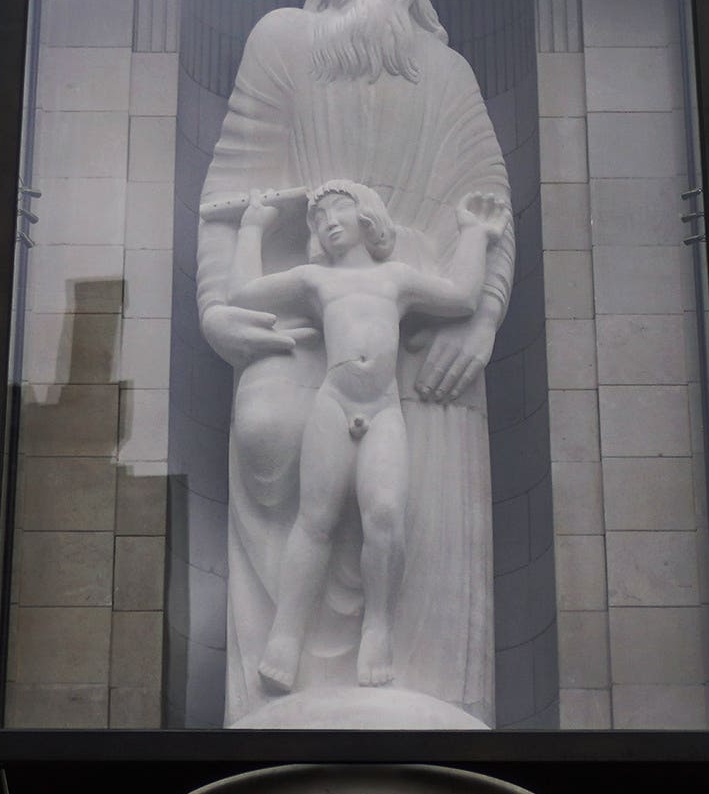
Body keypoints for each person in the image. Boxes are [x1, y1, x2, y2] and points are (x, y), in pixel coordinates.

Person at [201, 178, 509, 696]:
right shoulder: (315, 280)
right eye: (319, 219)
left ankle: (379, 626)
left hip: (384, 407)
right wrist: (253, 228)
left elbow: (460, 297)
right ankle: (285, 635)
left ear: (367, 217)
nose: (328, 222)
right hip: (333, 402)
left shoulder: (397, 278)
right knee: (315, 519)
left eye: (339, 211)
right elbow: (242, 293)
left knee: (384, 516)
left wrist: (474, 234)